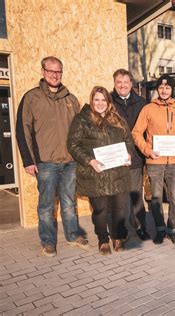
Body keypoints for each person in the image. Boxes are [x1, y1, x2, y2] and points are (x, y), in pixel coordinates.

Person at [16, 56, 89, 257]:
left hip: (70, 162)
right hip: (46, 163)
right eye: (51, 71)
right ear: (43, 71)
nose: (55, 75)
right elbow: (22, 130)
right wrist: (28, 161)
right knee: (46, 206)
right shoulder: (31, 98)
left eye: (58, 72)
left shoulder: (71, 99)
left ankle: (73, 235)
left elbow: (80, 131)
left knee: (69, 202)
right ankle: (48, 242)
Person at [67, 86, 133, 255]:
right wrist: (90, 160)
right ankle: (103, 239)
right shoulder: (82, 119)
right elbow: (73, 144)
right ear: (92, 100)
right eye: (97, 99)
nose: (100, 103)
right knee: (100, 210)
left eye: (103, 100)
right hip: (96, 174)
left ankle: (118, 236)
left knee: (119, 208)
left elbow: (128, 139)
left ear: (108, 102)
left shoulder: (117, 118)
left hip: (118, 172)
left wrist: (128, 155)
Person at [132, 74, 175, 245]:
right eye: (161, 87)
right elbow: (136, 132)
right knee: (157, 197)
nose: (164, 90)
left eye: (167, 87)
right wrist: (147, 150)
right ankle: (160, 229)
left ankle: (172, 228)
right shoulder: (148, 109)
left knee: (174, 197)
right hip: (155, 162)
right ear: (157, 89)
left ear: (172, 89)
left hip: (174, 160)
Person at [111, 69, 149, 241]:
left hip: (134, 158)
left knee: (135, 195)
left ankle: (140, 226)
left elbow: (147, 131)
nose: (123, 85)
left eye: (126, 82)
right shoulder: (108, 102)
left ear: (131, 84)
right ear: (114, 83)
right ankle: (120, 229)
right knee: (118, 198)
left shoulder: (142, 103)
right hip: (114, 159)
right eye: (119, 82)